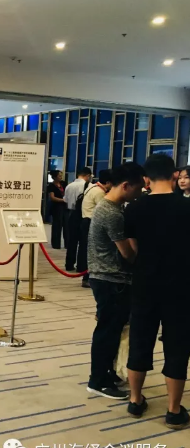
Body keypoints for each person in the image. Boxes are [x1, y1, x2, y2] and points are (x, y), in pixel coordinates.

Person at [125, 154, 190, 428]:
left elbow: (133, 248)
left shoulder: (134, 208)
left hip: (144, 283)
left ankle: (135, 400)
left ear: (145, 179)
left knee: (140, 340)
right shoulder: (186, 207)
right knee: (177, 345)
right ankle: (173, 410)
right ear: (175, 174)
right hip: (181, 286)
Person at [86, 162, 144, 400]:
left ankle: (105, 373)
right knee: (107, 331)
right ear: (126, 185)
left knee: (111, 330)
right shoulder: (111, 212)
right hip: (110, 279)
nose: (140, 192)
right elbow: (127, 253)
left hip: (107, 277)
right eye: (138, 188)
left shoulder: (110, 207)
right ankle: (97, 381)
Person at [78, 169, 113, 288]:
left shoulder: (92, 188)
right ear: (108, 182)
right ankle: (87, 278)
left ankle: (86, 276)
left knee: (87, 250)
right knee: (92, 252)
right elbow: (104, 210)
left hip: (85, 221)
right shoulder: (99, 193)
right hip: (90, 222)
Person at [65, 167, 92, 270]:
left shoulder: (69, 186)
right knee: (83, 241)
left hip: (71, 214)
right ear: (88, 175)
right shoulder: (88, 186)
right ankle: (81, 266)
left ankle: (69, 264)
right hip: (83, 214)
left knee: (72, 240)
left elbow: (66, 200)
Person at [47, 170, 68, 249]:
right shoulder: (51, 186)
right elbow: (52, 197)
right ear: (55, 177)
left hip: (65, 207)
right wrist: (62, 200)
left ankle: (67, 244)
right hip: (56, 207)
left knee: (66, 225)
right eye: (59, 176)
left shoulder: (64, 183)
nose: (61, 177)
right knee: (57, 226)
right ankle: (56, 244)